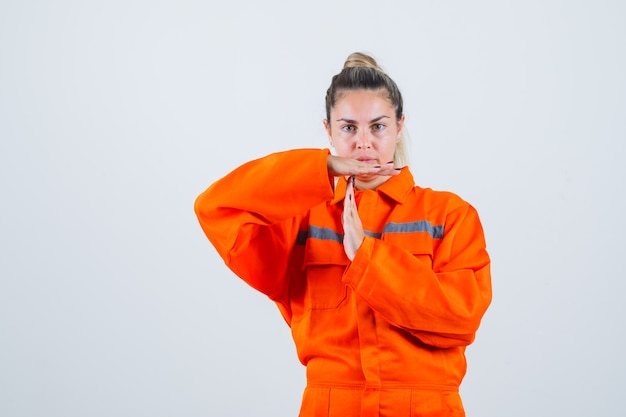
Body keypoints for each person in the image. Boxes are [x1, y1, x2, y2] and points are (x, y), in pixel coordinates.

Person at [194, 52, 492, 417]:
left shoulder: (448, 215)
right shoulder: (303, 220)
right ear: (328, 130)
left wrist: (367, 256)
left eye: (378, 126)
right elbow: (217, 207)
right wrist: (323, 167)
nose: (363, 143)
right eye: (348, 128)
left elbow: (460, 317)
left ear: (400, 126)